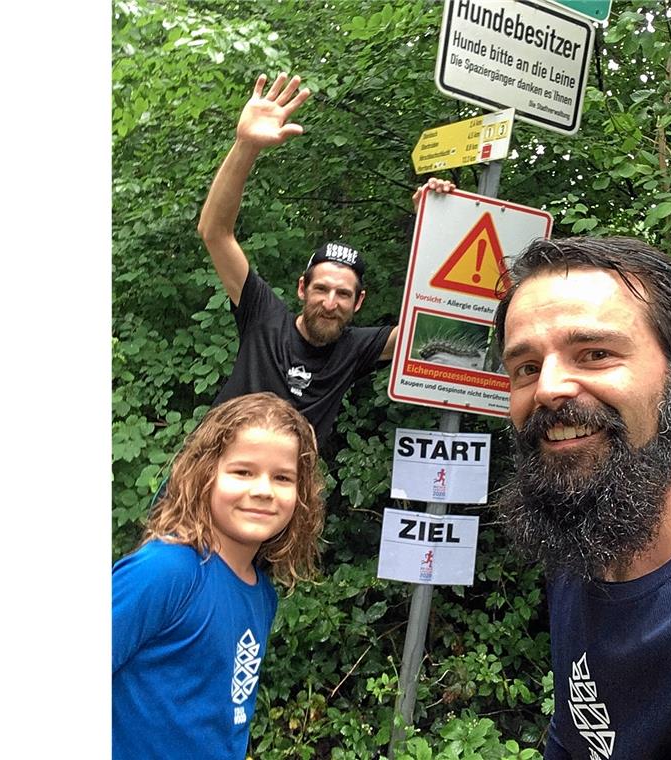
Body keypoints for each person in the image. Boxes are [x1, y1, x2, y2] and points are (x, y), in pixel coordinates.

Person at [492, 236, 671, 759]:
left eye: (595, 354)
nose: (548, 388)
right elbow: (574, 734)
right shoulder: (584, 532)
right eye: (526, 368)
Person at [196, 71, 453, 447]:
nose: (330, 303)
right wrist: (245, 146)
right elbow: (215, 233)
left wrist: (436, 227)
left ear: (358, 301)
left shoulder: (355, 349)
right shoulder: (264, 318)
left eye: (343, 294)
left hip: (284, 492)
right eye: (321, 289)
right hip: (211, 472)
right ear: (302, 288)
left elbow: (432, 329)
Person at [112, 392, 325, 759]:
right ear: (205, 474)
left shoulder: (261, 594)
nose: (262, 490)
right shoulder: (167, 572)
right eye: (243, 471)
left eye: (283, 478)